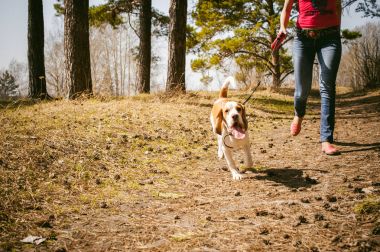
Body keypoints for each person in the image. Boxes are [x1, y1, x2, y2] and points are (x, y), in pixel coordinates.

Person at [279, 0, 342, 155]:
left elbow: (338, 6)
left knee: (327, 86)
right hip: (303, 39)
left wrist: (336, 30)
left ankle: (326, 139)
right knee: (302, 90)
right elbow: (286, 8)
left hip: (330, 38)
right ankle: (298, 115)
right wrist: (283, 27)